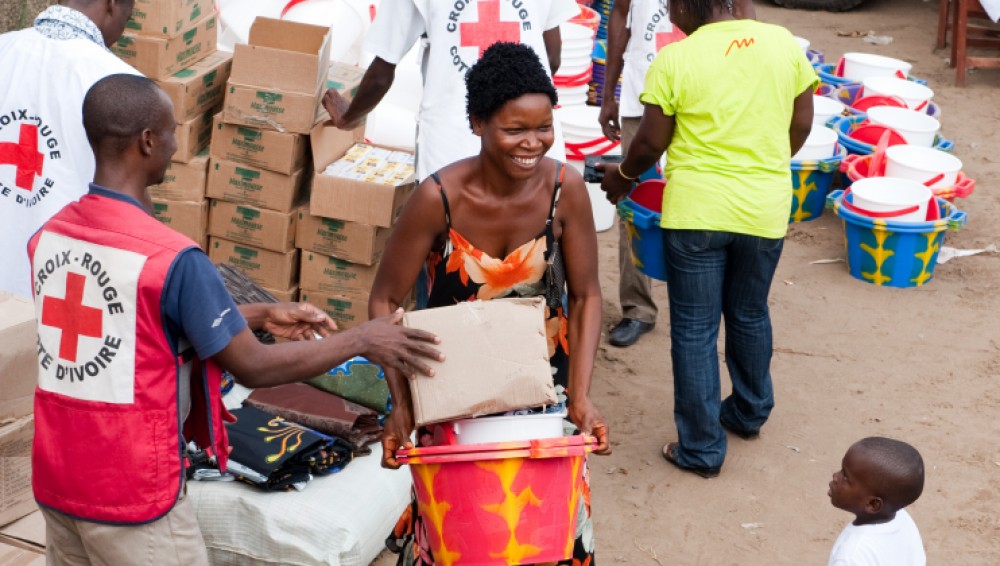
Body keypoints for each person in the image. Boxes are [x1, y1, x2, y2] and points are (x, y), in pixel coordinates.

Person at [28, 74, 442, 566]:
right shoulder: (173, 259)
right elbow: (254, 368)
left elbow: (128, 325)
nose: (177, 143)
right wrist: (362, 338)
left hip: (58, 479)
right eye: (173, 132)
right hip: (133, 495)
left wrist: (261, 312)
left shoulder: (51, 236)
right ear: (147, 142)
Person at [370, 43, 610, 565]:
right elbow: (384, 299)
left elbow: (588, 293)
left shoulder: (564, 189)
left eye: (543, 128)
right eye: (514, 129)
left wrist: (581, 396)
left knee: (546, 534)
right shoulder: (438, 198)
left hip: (544, 398)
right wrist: (402, 404)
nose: (533, 143)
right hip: (453, 400)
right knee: (463, 536)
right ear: (477, 122)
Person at [601, 0, 816, 477]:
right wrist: (764, 164)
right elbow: (801, 124)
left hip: (697, 212)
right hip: (764, 209)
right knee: (750, 311)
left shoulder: (676, 59)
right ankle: (748, 412)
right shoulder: (782, 43)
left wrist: (622, 177)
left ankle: (700, 448)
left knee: (696, 330)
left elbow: (651, 142)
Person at [321, 0, 579, 181]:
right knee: (533, 251)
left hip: (451, 152)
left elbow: (381, 74)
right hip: (530, 148)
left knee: (452, 253)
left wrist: (348, 117)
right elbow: (552, 58)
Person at [0, 0, 141, 298]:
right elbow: (132, 208)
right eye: (129, 16)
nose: (123, 28)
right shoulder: (123, 85)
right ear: (112, 5)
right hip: (62, 292)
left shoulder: (4, 48)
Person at [828, 437, 927, 565]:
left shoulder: (851, 556)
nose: (836, 476)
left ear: (873, 504)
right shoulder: (902, 517)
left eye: (846, 477)